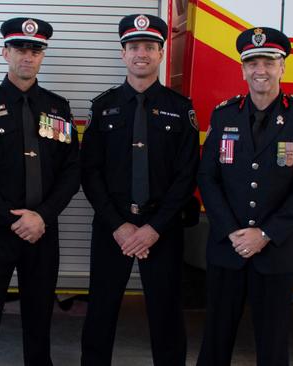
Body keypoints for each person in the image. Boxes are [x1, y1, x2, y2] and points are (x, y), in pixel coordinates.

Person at [0, 17, 80, 366]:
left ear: (42, 56)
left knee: (39, 318)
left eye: (35, 50)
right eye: (20, 49)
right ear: (5, 53)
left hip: (42, 230)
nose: (28, 57)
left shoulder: (58, 108)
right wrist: (13, 219)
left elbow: (72, 170)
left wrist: (42, 216)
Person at [196, 27, 293, 366]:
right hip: (228, 246)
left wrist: (264, 234)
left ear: (282, 67)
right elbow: (207, 177)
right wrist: (232, 231)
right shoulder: (224, 116)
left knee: (272, 344)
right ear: (242, 69)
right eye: (252, 63)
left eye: (269, 62)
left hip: (276, 250)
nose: (260, 70)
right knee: (215, 340)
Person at [80, 14, 199, 366]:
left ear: (161, 53)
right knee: (100, 310)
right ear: (123, 54)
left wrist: (153, 228)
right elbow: (90, 172)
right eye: (134, 46)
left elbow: (186, 175)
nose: (141, 54)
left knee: (166, 314)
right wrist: (119, 225)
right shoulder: (103, 107)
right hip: (112, 227)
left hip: (162, 228)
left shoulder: (181, 109)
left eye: (150, 46)